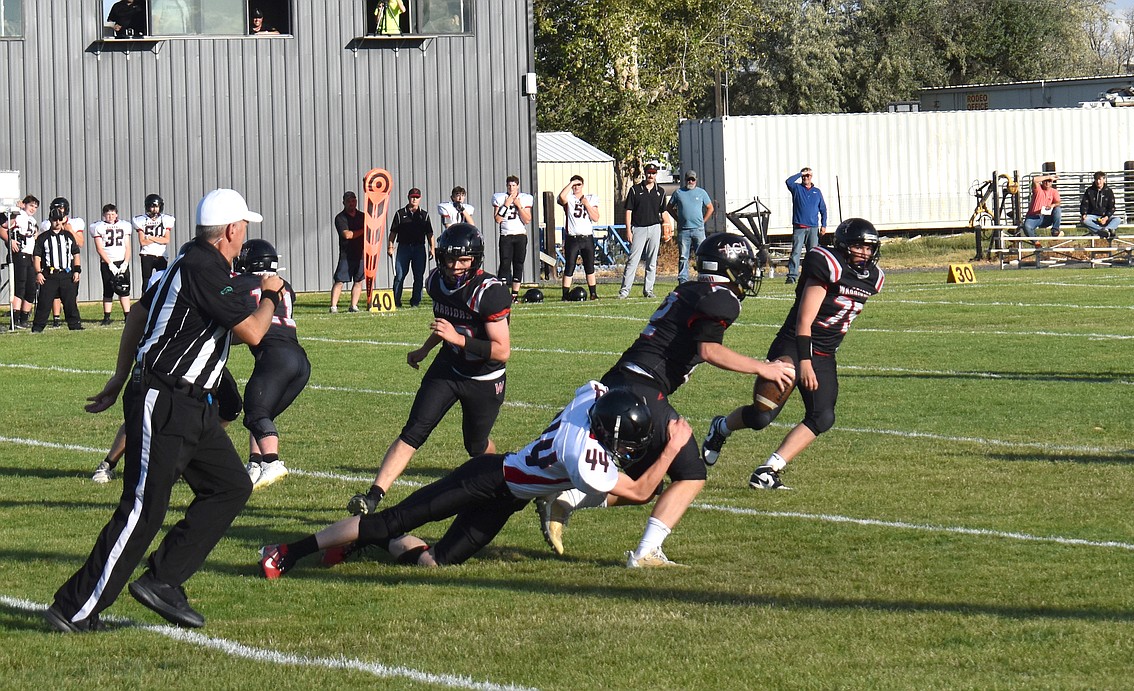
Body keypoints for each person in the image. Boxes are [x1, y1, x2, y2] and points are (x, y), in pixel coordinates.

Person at [44, 188, 285, 634]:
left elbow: (138, 315)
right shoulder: (202, 266)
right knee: (142, 509)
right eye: (243, 227)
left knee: (230, 486)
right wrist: (271, 293)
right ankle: (72, 609)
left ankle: (164, 579)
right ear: (231, 230)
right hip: (167, 398)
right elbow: (253, 330)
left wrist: (119, 376)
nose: (244, 234)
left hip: (192, 403)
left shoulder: (190, 261)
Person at [537, 233, 795, 566]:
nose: (750, 274)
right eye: (745, 267)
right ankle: (646, 552)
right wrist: (765, 368)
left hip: (620, 379)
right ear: (730, 268)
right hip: (644, 388)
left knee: (649, 484)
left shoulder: (688, 289)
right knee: (691, 474)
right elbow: (709, 350)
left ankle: (567, 498)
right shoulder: (722, 298)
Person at [260, 384, 691, 576]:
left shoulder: (588, 400)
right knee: (390, 519)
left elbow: (601, 389)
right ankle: (286, 551)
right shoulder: (580, 453)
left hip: (508, 497)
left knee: (436, 563)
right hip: (487, 478)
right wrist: (671, 450)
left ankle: (366, 542)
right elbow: (637, 491)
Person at [703, 219, 884, 490]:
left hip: (824, 353)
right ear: (845, 246)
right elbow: (804, 321)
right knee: (762, 416)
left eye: (870, 248)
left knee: (823, 416)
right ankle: (721, 427)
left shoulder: (874, 278)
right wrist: (805, 362)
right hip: (795, 346)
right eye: (859, 247)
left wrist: (815, 361)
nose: (865, 254)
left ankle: (769, 470)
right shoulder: (827, 265)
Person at [347, 223, 511, 516]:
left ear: (476, 259)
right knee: (414, 430)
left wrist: (458, 339)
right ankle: (372, 497)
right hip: (448, 366)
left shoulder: (490, 291)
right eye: (450, 259)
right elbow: (444, 324)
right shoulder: (436, 281)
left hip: (484, 378)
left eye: (463, 260)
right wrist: (425, 348)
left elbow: (502, 350)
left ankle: (500, 480)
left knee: (476, 446)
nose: (456, 266)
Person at [233, 239, 311, 490]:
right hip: (299, 360)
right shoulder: (285, 286)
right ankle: (255, 464)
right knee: (263, 414)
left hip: (275, 357)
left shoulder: (240, 284)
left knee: (255, 412)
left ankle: (272, 462)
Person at [91, 369, 242, 485]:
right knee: (147, 413)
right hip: (170, 359)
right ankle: (107, 464)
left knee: (231, 406)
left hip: (207, 356)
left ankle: (188, 458)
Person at [618, 163, 672, 299]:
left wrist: (668, 224)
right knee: (633, 261)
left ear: (656, 174)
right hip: (639, 228)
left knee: (652, 262)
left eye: (653, 173)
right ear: (645, 173)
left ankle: (648, 290)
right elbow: (628, 211)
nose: (651, 175)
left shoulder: (660, 191)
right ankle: (624, 291)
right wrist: (628, 230)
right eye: (649, 172)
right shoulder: (635, 190)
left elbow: (663, 210)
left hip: (654, 228)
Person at [30, 203, 84, 332]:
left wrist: (77, 270)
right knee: (44, 302)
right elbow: (37, 256)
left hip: (66, 273)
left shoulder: (69, 236)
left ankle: (75, 325)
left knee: (70, 302)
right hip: (50, 274)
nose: (57, 222)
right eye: (55, 220)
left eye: (60, 219)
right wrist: (38, 272)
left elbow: (75, 253)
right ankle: (38, 327)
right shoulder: (43, 238)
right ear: (50, 221)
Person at [388, 187, 435, 308]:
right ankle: (396, 301)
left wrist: (432, 248)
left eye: (417, 197)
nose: (414, 199)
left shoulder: (424, 215)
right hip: (404, 248)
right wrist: (390, 245)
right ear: (408, 197)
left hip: (419, 248)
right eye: (412, 197)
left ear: (420, 199)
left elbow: (430, 233)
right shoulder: (400, 214)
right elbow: (393, 232)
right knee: (399, 276)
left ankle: (415, 302)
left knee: (418, 276)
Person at [491, 175, 534, 302]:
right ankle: (502, 294)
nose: (511, 188)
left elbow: (527, 219)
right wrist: (506, 205)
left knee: (518, 264)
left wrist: (519, 205)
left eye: (514, 185)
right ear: (506, 186)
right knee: (505, 264)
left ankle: (514, 295)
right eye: (509, 185)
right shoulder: (500, 198)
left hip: (520, 235)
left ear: (518, 186)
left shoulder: (525, 199)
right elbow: (498, 219)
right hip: (506, 235)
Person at [90, 203, 134, 325]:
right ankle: (107, 317)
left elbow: (128, 247)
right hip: (107, 262)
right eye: (108, 214)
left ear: (116, 214)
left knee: (124, 289)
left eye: (112, 214)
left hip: (121, 261)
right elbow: (99, 248)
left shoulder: (124, 226)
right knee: (108, 289)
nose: (110, 216)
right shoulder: (98, 227)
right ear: (104, 215)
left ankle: (127, 315)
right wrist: (109, 263)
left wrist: (125, 262)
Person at [558, 175, 600, 301]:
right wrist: (570, 184)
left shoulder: (591, 198)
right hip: (573, 237)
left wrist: (586, 204)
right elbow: (561, 197)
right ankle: (565, 295)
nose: (576, 187)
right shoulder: (569, 198)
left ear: (583, 185)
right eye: (574, 185)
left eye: (578, 185)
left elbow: (596, 217)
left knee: (589, 266)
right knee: (569, 266)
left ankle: (593, 293)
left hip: (587, 237)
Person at [668, 170, 714, 283]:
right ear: (685, 180)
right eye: (689, 179)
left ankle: (703, 277)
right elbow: (669, 207)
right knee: (683, 256)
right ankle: (683, 279)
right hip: (684, 231)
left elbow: (710, 208)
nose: (691, 181)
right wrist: (678, 219)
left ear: (696, 180)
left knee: (701, 255)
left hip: (698, 230)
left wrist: (703, 221)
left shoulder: (701, 193)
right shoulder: (678, 193)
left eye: (692, 179)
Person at [784, 167, 828, 284]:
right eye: (804, 176)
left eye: (808, 176)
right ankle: (792, 276)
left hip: (813, 227)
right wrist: (800, 173)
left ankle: (812, 275)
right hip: (799, 227)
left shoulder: (817, 192)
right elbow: (788, 182)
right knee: (796, 252)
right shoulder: (797, 188)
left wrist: (824, 225)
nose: (806, 178)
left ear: (811, 177)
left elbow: (823, 209)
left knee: (813, 254)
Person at [3, 195, 38, 329]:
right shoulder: (18, 215)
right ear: (24, 204)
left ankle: (24, 318)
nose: (33, 209)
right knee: (20, 287)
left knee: (31, 288)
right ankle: (15, 318)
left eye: (35, 207)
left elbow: (35, 234)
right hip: (20, 255)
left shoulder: (32, 220)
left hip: (30, 256)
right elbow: (6, 226)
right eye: (31, 205)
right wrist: (15, 209)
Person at [330, 190, 365, 313]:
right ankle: (333, 306)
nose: (351, 203)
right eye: (349, 201)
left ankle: (353, 305)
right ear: (344, 202)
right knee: (339, 281)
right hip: (346, 254)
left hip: (360, 253)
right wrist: (364, 230)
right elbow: (347, 235)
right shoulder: (340, 218)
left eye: (353, 200)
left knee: (359, 281)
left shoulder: (363, 216)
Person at [133, 193, 174, 293]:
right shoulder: (140, 220)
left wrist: (150, 237)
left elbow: (166, 240)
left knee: (162, 280)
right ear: (147, 207)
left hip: (161, 255)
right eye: (152, 206)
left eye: (156, 206)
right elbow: (143, 242)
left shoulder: (166, 219)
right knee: (146, 280)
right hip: (147, 254)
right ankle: (145, 304)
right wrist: (158, 239)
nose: (154, 209)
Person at [1080, 171, 1122, 241]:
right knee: (1085, 220)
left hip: (1105, 216)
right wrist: (1083, 214)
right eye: (1096, 179)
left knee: (1117, 219)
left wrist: (1106, 217)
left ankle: (1106, 229)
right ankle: (1104, 231)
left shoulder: (1109, 191)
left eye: (1100, 179)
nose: (1098, 181)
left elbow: (1112, 207)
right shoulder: (1089, 191)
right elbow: (1084, 204)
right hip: (1093, 216)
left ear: (1104, 180)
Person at [1021, 173, 1062, 241]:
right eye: (1045, 180)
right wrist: (1048, 177)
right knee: (1027, 226)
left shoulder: (1054, 192)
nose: (1047, 183)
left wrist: (1052, 205)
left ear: (1051, 183)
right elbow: (1034, 179)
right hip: (1034, 216)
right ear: (1042, 181)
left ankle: (1055, 231)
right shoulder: (1038, 188)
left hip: (1046, 217)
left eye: (1049, 181)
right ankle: (1036, 243)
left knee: (1058, 209)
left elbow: (1058, 202)